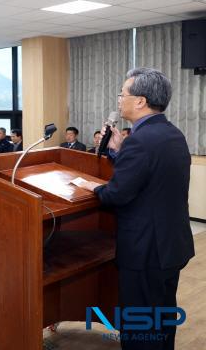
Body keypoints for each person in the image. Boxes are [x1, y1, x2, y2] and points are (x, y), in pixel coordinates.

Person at [79, 68, 195, 350]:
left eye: (123, 94)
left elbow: (116, 195)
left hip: (146, 249)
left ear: (140, 101)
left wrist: (90, 187)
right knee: (161, 317)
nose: (119, 100)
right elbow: (148, 178)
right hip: (170, 243)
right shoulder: (171, 134)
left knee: (139, 326)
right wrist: (120, 152)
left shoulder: (141, 140)